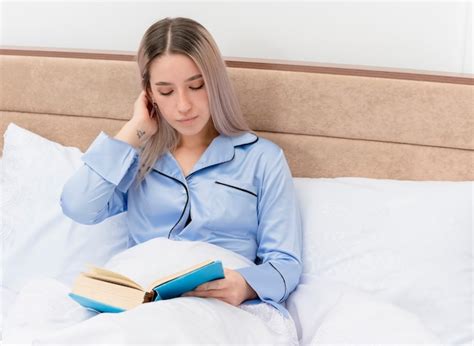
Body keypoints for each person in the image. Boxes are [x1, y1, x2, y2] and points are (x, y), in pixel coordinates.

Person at [9, 16, 302, 344]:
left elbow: (285, 263)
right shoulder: (138, 158)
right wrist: (134, 130)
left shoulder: (262, 158)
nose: (183, 105)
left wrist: (245, 284)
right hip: (137, 299)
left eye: (196, 86)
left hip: (214, 305)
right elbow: (79, 205)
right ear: (149, 95)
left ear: (216, 82)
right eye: (166, 91)